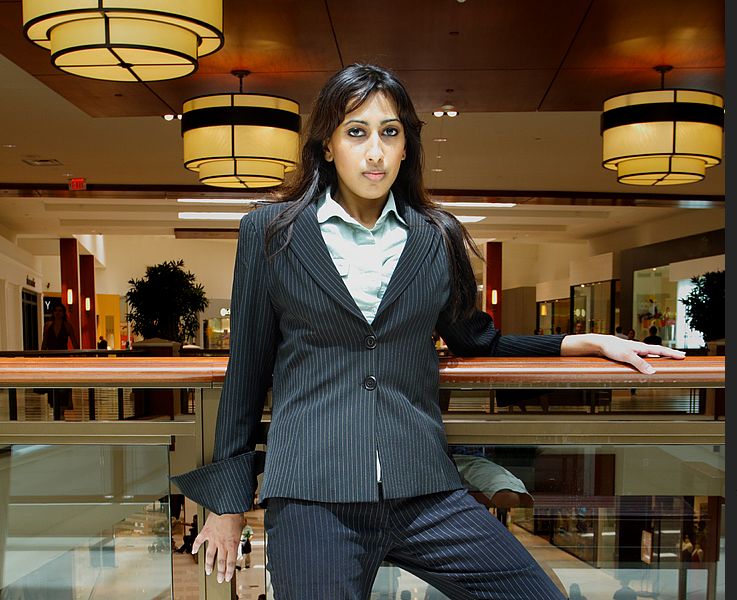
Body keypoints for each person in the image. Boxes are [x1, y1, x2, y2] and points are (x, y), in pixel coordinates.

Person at [171, 63, 684, 598]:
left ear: (406, 146)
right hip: (312, 492)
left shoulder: (435, 237)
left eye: (390, 133)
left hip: (424, 488)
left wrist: (585, 341)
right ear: (326, 145)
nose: (375, 151)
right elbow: (246, 370)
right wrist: (227, 505)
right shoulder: (270, 232)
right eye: (356, 131)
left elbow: (476, 340)